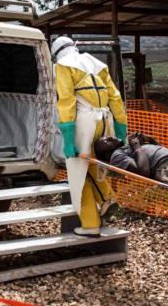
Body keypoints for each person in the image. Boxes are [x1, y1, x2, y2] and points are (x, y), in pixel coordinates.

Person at [53, 36, 127, 237]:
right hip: (105, 120)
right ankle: (107, 198)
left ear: (56, 54)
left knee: (78, 174)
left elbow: (67, 102)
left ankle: (90, 224)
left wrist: (68, 139)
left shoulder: (63, 65)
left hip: (84, 122)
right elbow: (116, 98)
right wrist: (121, 132)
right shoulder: (97, 64)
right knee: (95, 164)